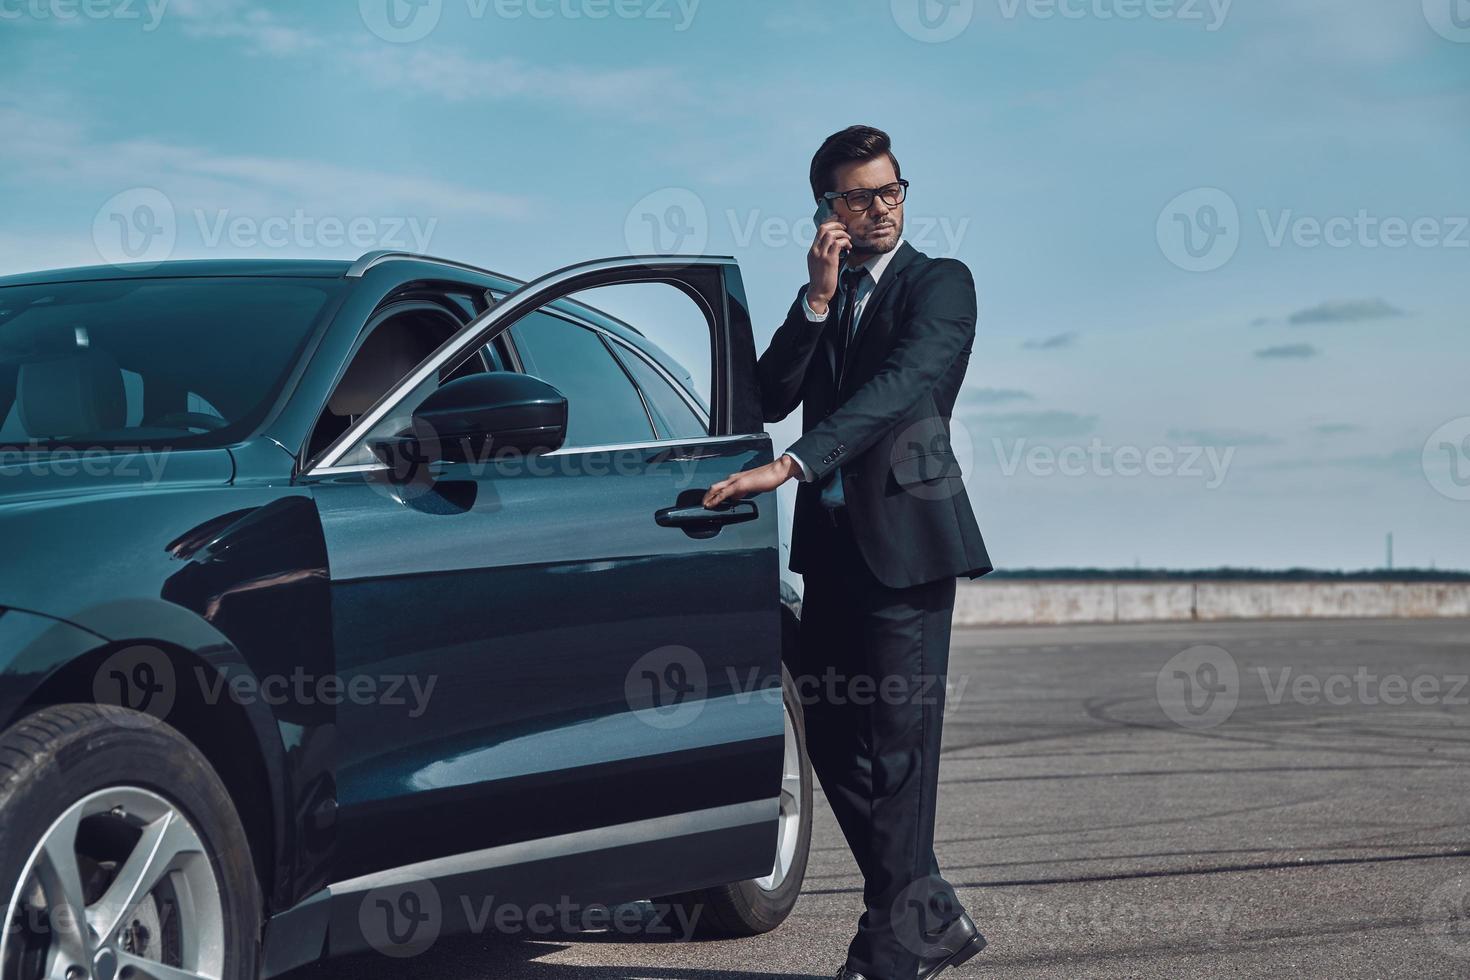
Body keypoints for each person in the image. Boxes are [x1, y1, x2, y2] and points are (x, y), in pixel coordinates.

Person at [703, 125, 993, 979]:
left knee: (902, 750)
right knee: (830, 741)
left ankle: (893, 944)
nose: (879, 207)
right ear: (825, 207)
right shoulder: (825, 297)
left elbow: (901, 392)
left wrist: (792, 462)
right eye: (859, 195)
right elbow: (766, 392)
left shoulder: (941, 284)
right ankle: (926, 910)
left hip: (909, 547)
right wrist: (815, 301)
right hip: (829, 555)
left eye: (891, 190)